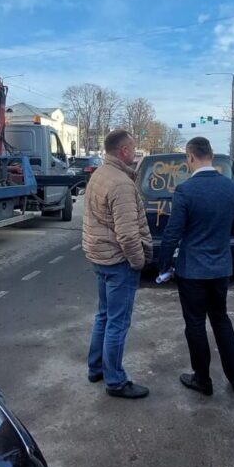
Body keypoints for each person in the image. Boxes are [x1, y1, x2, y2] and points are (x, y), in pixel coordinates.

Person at [156, 137, 234, 396]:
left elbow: (173, 233)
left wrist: (164, 265)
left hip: (192, 270)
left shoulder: (185, 191)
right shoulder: (232, 189)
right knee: (221, 320)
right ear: (211, 155)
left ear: (191, 157)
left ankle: (203, 380)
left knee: (195, 324)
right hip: (220, 268)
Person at [82, 129, 153, 399]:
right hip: (118, 261)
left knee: (103, 316)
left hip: (100, 258)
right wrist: (139, 261)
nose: (134, 153)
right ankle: (115, 381)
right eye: (133, 148)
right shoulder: (121, 184)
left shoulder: (99, 174)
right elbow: (127, 234)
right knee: (117, 322)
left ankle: (96, 368)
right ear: (123, 151)